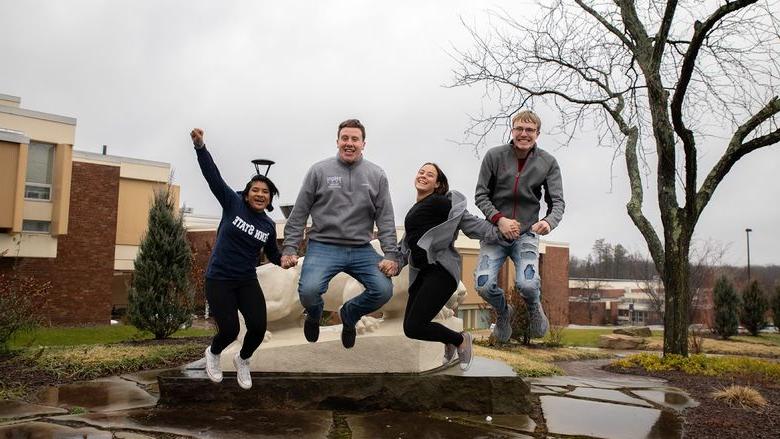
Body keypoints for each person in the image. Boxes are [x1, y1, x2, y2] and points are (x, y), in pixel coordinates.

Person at [280, 119, 398, 348]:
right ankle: (314, 315)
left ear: (363, 144)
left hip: (361, 248)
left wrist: (391, 254)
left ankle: (350, 315)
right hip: (323, 245)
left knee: (383, 290)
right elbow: (300, 211)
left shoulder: (377, 175)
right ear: (337, 141)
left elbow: (385, 217)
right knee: (309, 292)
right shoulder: (319, 171)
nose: (349, 143)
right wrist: (290, 248)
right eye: (345, 138)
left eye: (355, 139)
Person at [190, 128, 282, 390]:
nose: (260, 194)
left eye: (265, 192)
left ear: (270, 198)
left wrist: (285, 260)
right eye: (256, 190)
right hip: (219, 278)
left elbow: (273, 254)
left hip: (245, 280)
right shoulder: (232, 203)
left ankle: (243, 359)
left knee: (258, 328)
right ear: (247, 192)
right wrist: (200, 147)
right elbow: (213, 177)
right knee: (229, 331)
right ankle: (214, 353)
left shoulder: (267, 225)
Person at [396, 163, 501, 371]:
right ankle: (451, 340)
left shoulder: (441, 203)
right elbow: (406, 244)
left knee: (416, 325)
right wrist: (394, 263)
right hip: (421, 274)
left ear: (438, 184)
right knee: (411, 328)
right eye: (421, 172)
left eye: (430, 174)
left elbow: (469, 222)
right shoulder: (414, 209)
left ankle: (460, 340)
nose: (423, 176)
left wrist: (500, 229)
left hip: (440, 272)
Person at [474, 110, 565, 342]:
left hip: (526, 234)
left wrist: (547, 222)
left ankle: (534, 306)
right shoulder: (494, 156)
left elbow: (557, 202)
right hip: (494, 233)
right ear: (512, 130)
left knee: (527, 283)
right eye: (519, 129)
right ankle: (504, 311)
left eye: (529, 130)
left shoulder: (547, 162)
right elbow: (481, 195)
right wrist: (500, 220)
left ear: (537, 133)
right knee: (483, 285)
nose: (524, 134)